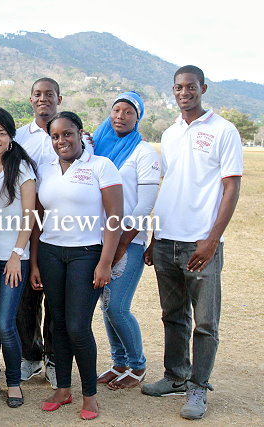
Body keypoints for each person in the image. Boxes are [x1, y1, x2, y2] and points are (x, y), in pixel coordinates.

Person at [141, 65, 243, 420]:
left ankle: (199, 387)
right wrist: (155, 236)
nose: (184, 92)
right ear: (173, 91)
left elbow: (232, 186)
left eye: (191, 86)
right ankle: (175, 376)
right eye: (179, 87)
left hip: (200, 243)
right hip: (167, 239)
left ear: (203, 88)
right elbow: (170, 185)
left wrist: (212, 239)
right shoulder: (170, 133)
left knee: (205, 322)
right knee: (173, 316)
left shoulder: (223, 131)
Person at [31, 112, 123, 420]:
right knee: (57, 323)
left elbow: (114, 218)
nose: (61, 141)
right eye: (55, 136)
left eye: (67, 134)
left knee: (77, 326)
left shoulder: (101, 166)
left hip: (86, 254)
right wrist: (34, 261)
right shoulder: (44, 169)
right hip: (50, 252)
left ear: (80, 133)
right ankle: (63, 389)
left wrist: (105, 262)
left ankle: (90, 395)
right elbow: (36, 218)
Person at [92, 91, 160, 390]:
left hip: (127, 240)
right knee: (106, 307)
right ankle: (118, 362)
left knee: (118, 306)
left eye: (128, 112)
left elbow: (144, 205)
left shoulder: (144, 153)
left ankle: (137, 364)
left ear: (138, 117)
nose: (120, 116)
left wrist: (120, 243)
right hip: (99, 237)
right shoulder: (99, 145)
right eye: (116, 110)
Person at [0, 108, 36, 408]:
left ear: (11, 137)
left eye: (1, 133)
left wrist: (16, 255)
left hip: (12, 259)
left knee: (4, 323)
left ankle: (13, 382)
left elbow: (29, 217)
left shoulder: (22, 168)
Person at [14, 77, 62, 386]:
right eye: (38, 94)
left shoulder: (71, 134)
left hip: (63, 227)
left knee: (57, 298)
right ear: (31, 99)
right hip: (26, 224)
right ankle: (30, 356)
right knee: (26, 297)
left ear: (60, 98)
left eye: (49, 94)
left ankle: (55, 358)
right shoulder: (19, 137)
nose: (43, 98)